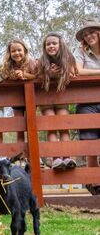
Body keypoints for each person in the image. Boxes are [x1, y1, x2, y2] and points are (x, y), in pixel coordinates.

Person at [37, 32, 78, 170]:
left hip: (61, 97)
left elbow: (73, 72)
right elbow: (38, 75)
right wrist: (49, 73)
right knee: (51, 127)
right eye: (48, 44)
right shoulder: (42, 60)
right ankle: (55, 159)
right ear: (44, 47)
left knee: (64, 127)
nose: (51, 46)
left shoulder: (68, 58)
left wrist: (61, 73)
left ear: (60, 44)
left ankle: (67, 158)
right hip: (46, 98)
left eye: (54, 43)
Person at [74, 19, 100, 195]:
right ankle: (95, 184)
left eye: (91, 32)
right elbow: (78, 71)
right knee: (90, 145)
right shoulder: (80, 51)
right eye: (85, 34)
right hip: (87, 102)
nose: (89, 36)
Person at [1, 39, 37, 142]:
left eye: (19, 50)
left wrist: (24, 74)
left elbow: (36, 75)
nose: (17, 53)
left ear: (24, 51)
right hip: (16, 97)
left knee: (31, 124)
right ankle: (21, 154)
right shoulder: (8, 64)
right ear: (9, 53)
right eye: (13, 51)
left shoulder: (31, 61)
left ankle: (33, 151)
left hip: (30, 96)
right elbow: (4, 76)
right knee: (19, 125)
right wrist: (13, 76)